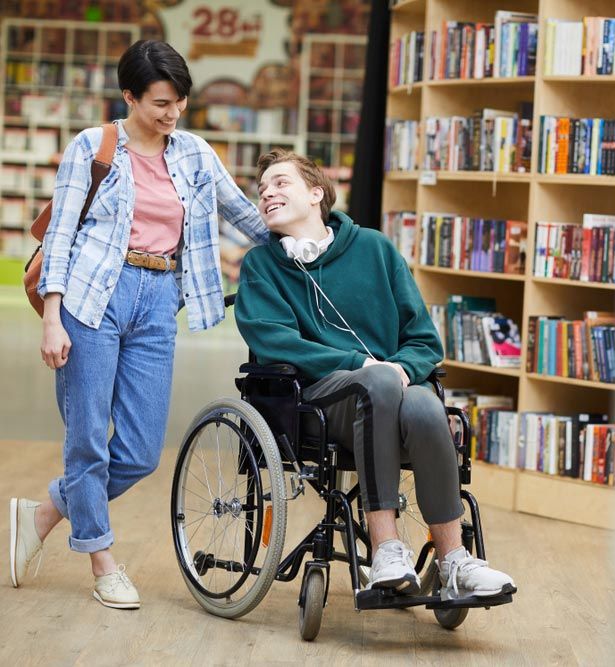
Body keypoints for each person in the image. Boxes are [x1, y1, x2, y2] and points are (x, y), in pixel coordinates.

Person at [9, 41, 269, 608]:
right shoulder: (93, 148)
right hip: (91, 296)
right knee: (87, 441)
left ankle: (45, 512)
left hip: (158, 300)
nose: (172, 113)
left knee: (143, 450)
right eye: (159, 103)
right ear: (129, 96)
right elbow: (58, 240)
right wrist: (52, 320)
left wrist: (309, 241)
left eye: (179, 101)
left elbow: (242, 213)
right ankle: (103, 563)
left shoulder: (196, 153)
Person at [234, 149, 516, 601]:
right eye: (262, 188)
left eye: (281, 182)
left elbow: (423, 340)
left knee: (426, 403)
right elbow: (274, 341)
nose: (267, 192)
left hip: (395, 395)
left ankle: (454, 561)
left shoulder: (376, 249)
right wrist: (362, 366)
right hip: (318, 402)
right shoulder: (262, 267)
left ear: (316, 193)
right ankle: (386, 549)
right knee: (382, 382)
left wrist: (401, 369)